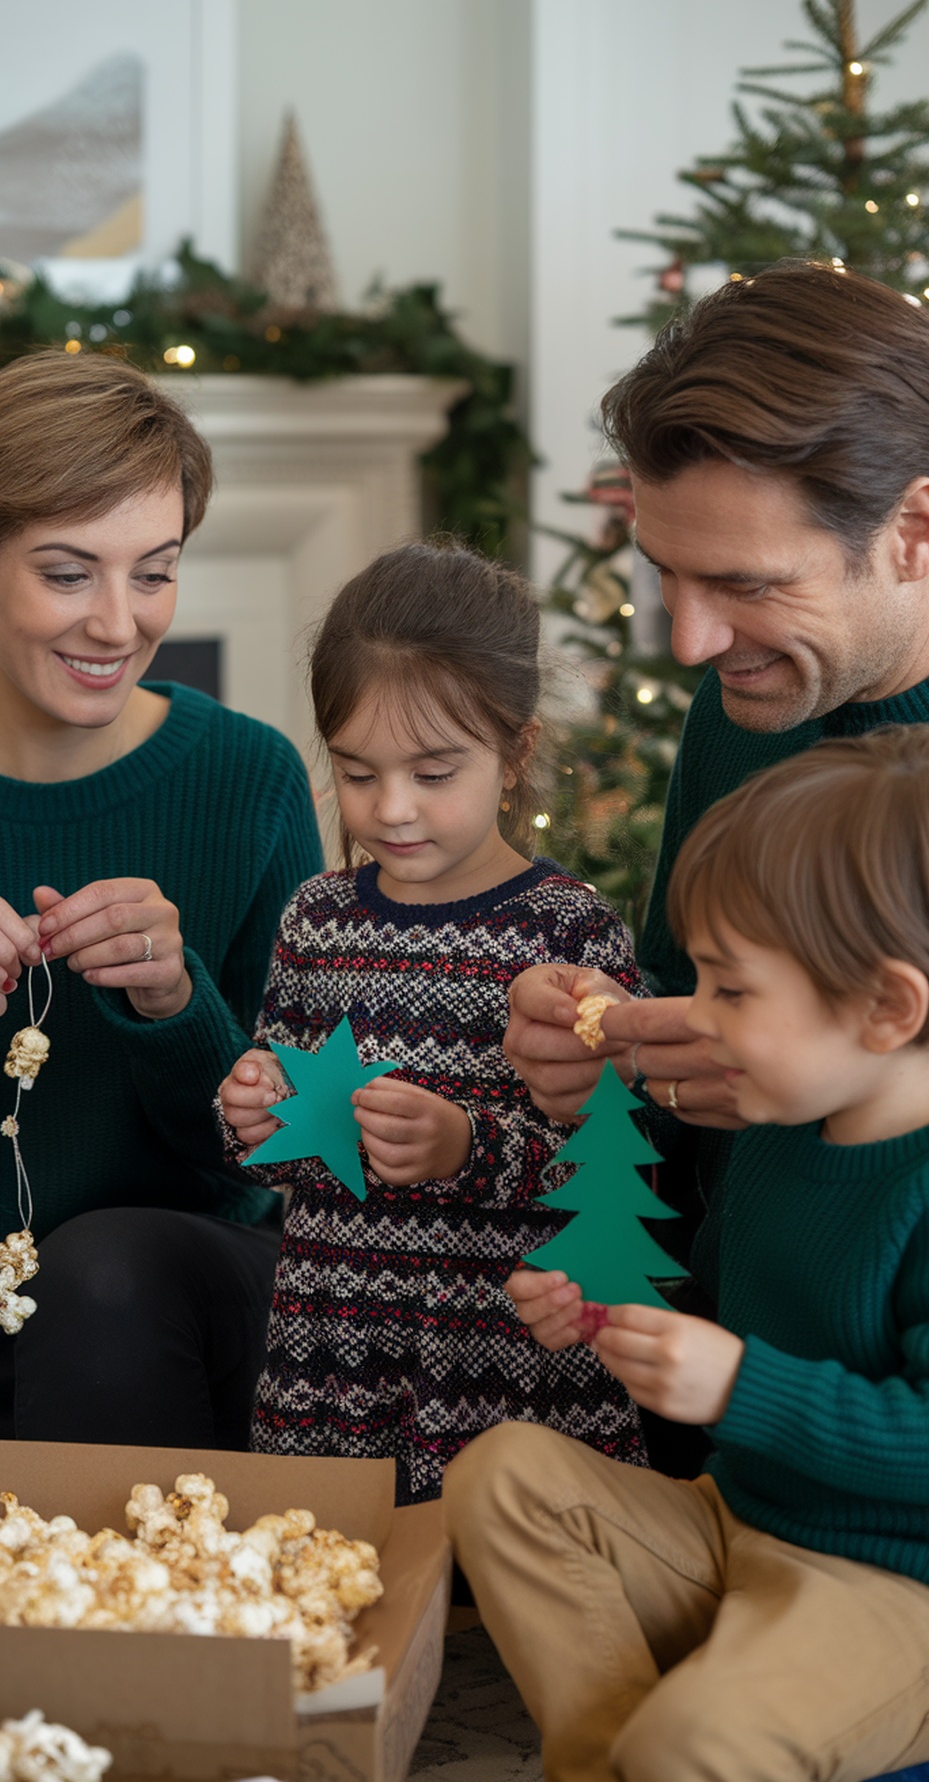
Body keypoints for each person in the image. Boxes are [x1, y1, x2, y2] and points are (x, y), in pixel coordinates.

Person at [445, 724, 929, 1782]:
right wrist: (609, 1322)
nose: (693, 1020)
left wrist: (739, 1385)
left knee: (704, 1739)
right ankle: (606, 1760)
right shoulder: (779, 1128)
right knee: (501, 1475)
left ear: (885, 1008)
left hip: (915, 1591)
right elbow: (747, 1314)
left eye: (730, 990)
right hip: (744, 1522)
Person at [217, 540, 648, 1504]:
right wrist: (253, 1109)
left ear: (516, 752)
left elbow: (617, 1169)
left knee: (499, 1607)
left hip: (497, 1353)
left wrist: (466, 1147)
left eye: (434, 772)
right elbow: (283, 1137)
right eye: (358, 773)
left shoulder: (569, 932)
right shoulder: (316, 917)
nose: (393, 809)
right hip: (333, 1346)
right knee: (337, 1578)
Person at [501, 260, 929, 1146]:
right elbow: (681, 1035)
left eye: (745, 584)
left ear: (913, 534)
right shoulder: (741, 713)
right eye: (666, 575)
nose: (691, 644)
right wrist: (609, 1050)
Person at [0, 349, 322, 1445]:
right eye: (68, 574)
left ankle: (128, 1614)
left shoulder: (247, 779)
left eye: (154, 571)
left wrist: (179, 1006)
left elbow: (299, 1148)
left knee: (105, 1270)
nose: (119, 625)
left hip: (167, 1294)